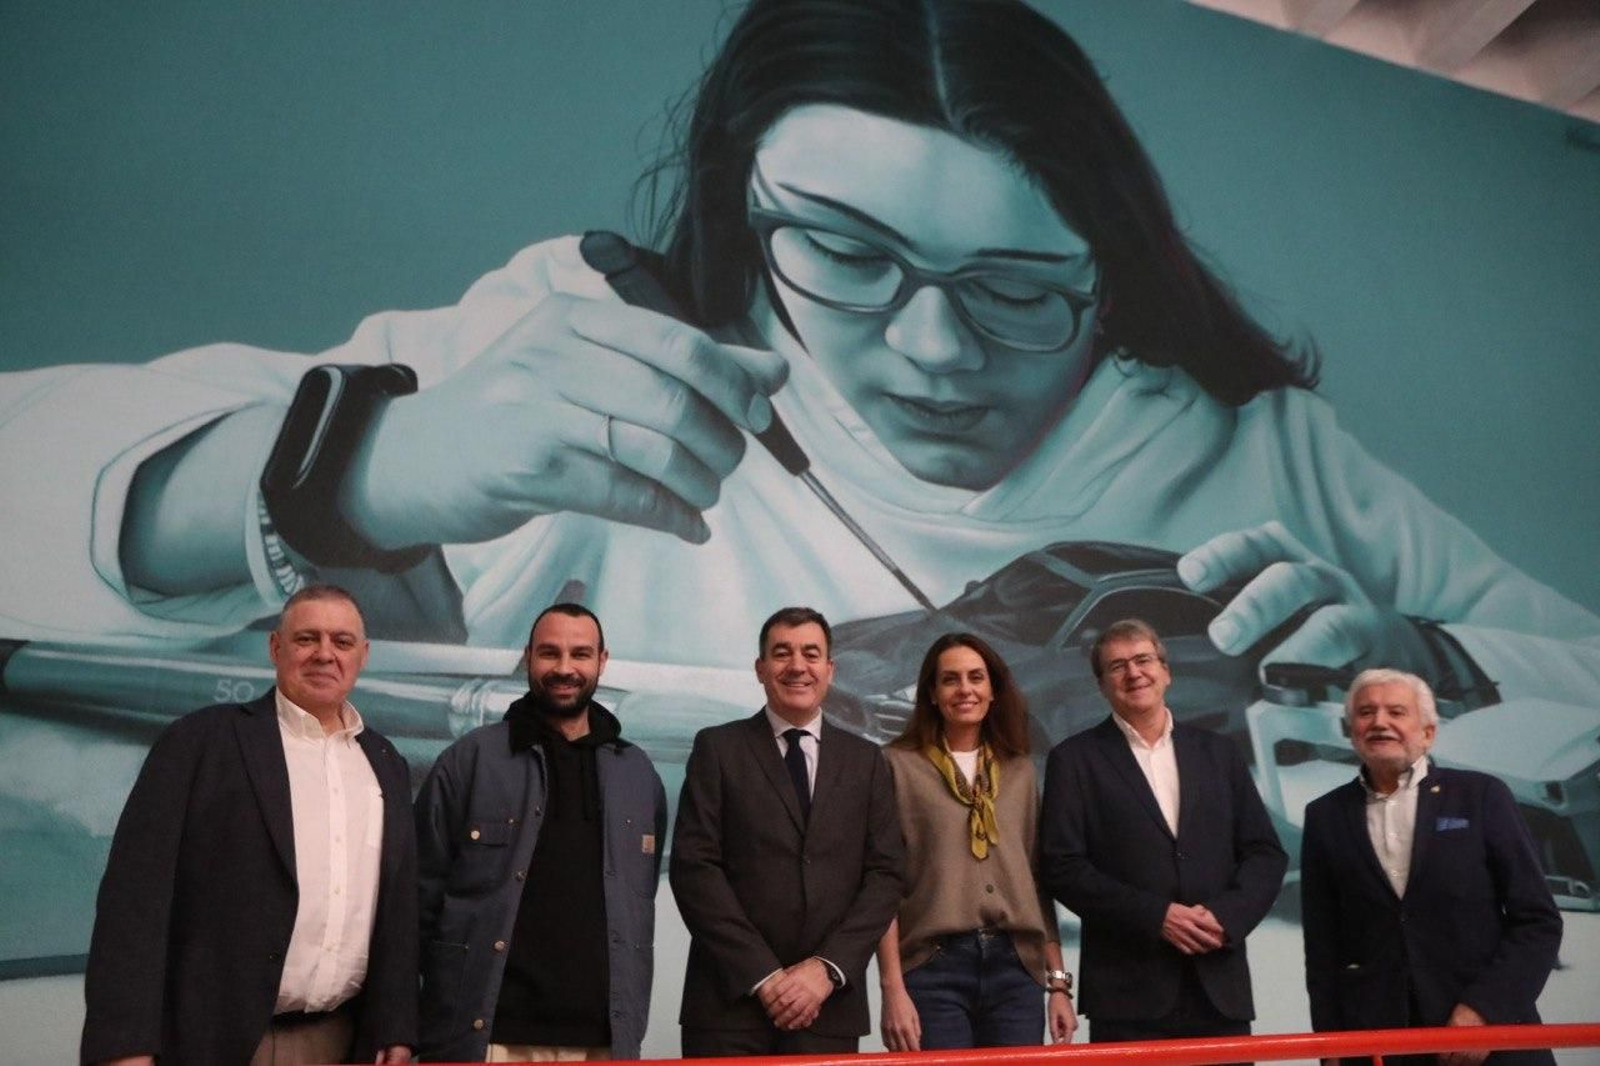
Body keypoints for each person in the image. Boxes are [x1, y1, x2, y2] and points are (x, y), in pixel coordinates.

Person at [6, 1, 1598, 729]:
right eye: (843, 251)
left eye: (1019, 289)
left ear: (1112, 282)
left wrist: (1431, 658)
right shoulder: (593, 347)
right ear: (738, 203)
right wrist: (366, 465)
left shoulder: (1262, 452)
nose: (930, 347)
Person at [79, 584, 417, 1065]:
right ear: (275, 647)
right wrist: (125, 1046)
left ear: (363, 655)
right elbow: (134, 905)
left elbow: (397, 909)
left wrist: (396, 1025)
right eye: (307, 639)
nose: (325, 654)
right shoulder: (201, 744)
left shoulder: (385, 763)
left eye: (342, 642)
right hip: (214, 1042)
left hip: (342, 1040)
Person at [414, 603, 667, 1062]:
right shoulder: (469, 761)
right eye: (550, 653)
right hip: (489, 1040)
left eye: (581, 654)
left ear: (602, 661)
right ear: (528, 657)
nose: (565, 668)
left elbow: (641, 895)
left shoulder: (638, 774)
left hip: (604, 1043)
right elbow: (418, 899)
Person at [668, 607, 905, 1056]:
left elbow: (886, 876)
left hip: (828, 1007)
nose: (797, 666)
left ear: (830, 670)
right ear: (760, 669)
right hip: (728, 1005)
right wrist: (765, 977)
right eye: (782, 653)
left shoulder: (867, 761)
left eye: (811, 654)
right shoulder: (717, 749)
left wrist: (824, 970)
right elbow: (695, 869)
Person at [1040, 618, 1286, 1044]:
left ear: (1166, 671)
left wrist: (1225, 917)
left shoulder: (1220, 753)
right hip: (1127, 993)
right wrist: (1158, 917)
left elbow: (1265, 853)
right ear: (1101, 685)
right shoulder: (1074, 760)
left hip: (1218, 985)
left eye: (1143, 659)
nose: (1134, 673)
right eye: (1117, 666)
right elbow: (1062, 866)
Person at [1300, 669, 1563, 1066]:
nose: (1380, 722)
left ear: (1428, 732)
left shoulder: (1481, 796)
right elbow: (1324, 946)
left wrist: (1485, 1011)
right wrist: (1329, 1044)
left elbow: (1538, 922)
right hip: (1378, 1042)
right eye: (1366, 711)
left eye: (1397, 711)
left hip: (1487, 1039)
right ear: (1350, 729)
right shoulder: (1324, 815)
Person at [876, 632, 1077, 1050]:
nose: (964, 689)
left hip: (1016, 969)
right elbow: (882, 885)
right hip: (933, 968)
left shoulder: (1020, 771)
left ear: (993, 691)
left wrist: (1058, 985)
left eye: (976, 677)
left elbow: (1036, 883)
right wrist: (892, 990)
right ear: (932, 693)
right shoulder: (896, 765)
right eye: (950, 679)